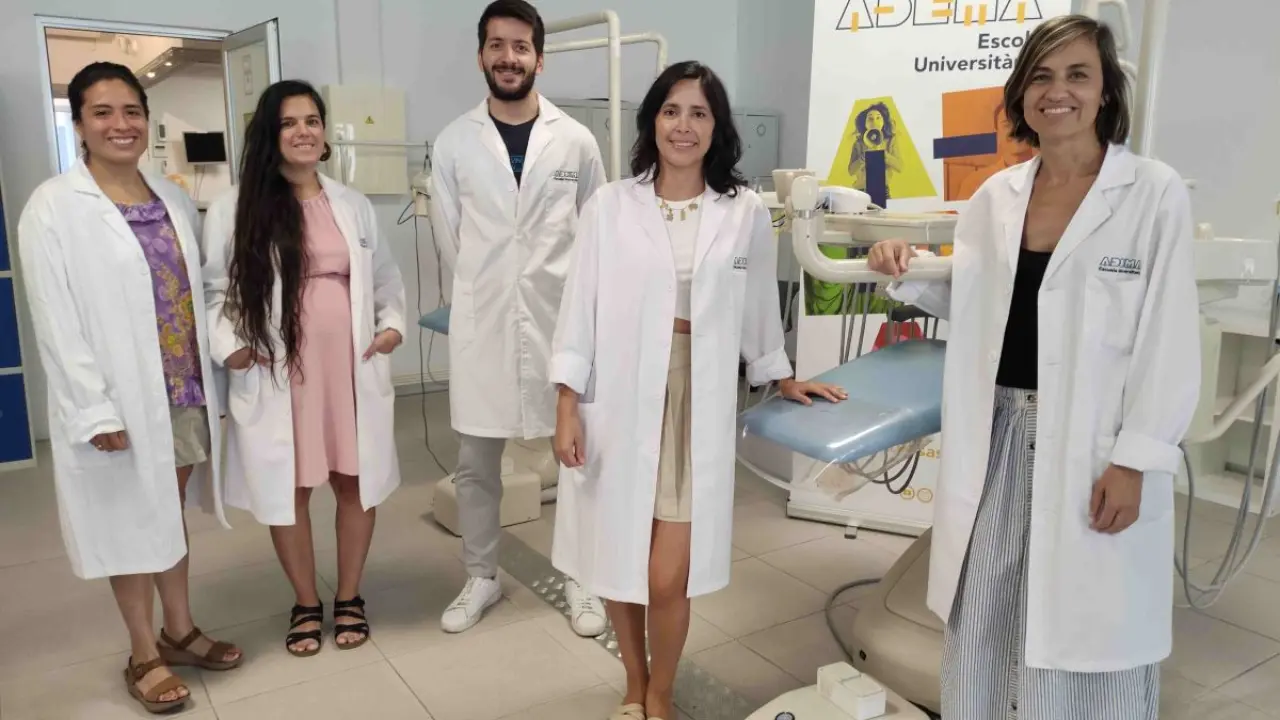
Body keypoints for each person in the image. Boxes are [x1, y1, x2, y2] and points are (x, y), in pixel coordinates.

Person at [867, 15, 1199, 720]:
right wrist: (906, 268)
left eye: (1078, 74)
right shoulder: (997, 197)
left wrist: (1135, 460)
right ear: (1022, 94)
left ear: (1106, 90)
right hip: (998, 434)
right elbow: (983, 304)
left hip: (1092, 445)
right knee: (987, 610)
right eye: (1042, 76)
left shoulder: (1152, 192)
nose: (1058, 92)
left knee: (1089, 629)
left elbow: (1169, 338)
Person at [549, 60, 848, 720]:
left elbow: (756, 303)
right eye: (671, 111)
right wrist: (566, 403)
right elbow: (579, 309)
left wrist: (779, 371)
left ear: (718, 128)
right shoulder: (610, 205)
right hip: (620, 390)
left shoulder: (743, 211)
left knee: (666, 574)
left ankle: (662, 690)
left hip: (695, 394)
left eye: (699, 113)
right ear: (652, 121)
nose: (683, 126)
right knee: (620, 555)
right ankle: (635, 682)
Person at [16, 61, 242, 714]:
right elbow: (54, 319)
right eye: (103, 112)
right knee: (127, 521)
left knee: (166, 512)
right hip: (115, 398)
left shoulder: (170, 196)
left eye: (132, 111)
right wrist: (93, 410)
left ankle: (180, 630)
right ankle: (143, 652)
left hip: (181, 386)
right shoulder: (53, 207)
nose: (121, 124)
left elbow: (197, 289)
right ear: (80, 124)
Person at [203, 79, 407, 657]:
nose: (303, 132)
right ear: (270, 135)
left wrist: (392, 325)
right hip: (278, 371)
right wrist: (231, 346)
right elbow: (216, 290)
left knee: (354, 482)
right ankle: (304, 602)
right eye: (289, 123)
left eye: (312, 121)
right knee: (289, 487)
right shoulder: (234, 207)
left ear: (324, 132)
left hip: (349, 368)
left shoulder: (352, 203)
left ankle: (349, 595)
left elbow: (385, 277)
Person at [429, 0, 609, 637]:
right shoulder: (453, 142)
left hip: (562, 322)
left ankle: (583, 576)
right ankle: (481, 576)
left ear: (539, 58)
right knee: (477, 464)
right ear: (481, 55)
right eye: (497, 45)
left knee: (578, 457)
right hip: (484, 327)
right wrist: (492, 291)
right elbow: (452, 240)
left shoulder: (576, 141)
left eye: (521, 46)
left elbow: (597, 235)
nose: (509, 58)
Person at [956, 102, 1036, 200]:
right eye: (1006, 124)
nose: (1014, 131)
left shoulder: (1050, 177)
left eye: (1021, 123)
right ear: (997, 133)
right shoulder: (975, 183)